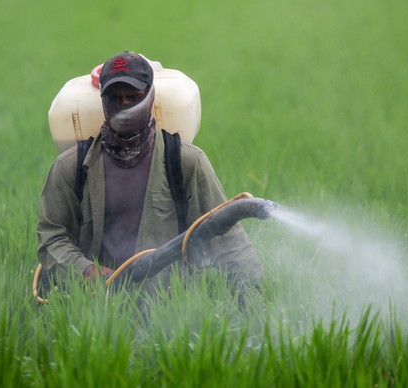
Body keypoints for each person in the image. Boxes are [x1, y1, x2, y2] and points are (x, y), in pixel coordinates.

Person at [37, 51, 262, 294]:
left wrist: (254, 295)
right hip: (96, 304)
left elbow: (227, 238)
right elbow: (52, 236)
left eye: (134, 97)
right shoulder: (72, 167)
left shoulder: (185, 161)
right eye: (116, 98)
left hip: (167, 309)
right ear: (103, 101)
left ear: (151, 96)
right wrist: (85, 270)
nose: (125, 107)